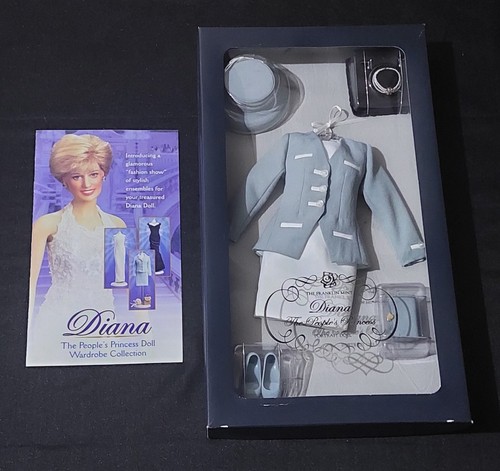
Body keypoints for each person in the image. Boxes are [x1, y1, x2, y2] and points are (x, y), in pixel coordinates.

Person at [27, 134, 126, 363]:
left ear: (104, 174)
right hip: (56, 324)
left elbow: (135, 287)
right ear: (64, 180)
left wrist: (144, 333)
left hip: (103, 325)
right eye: (76, 176)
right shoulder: (47, 224)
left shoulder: (117, 226)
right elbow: (28, 288)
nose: (87, 184)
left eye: (93, 174)